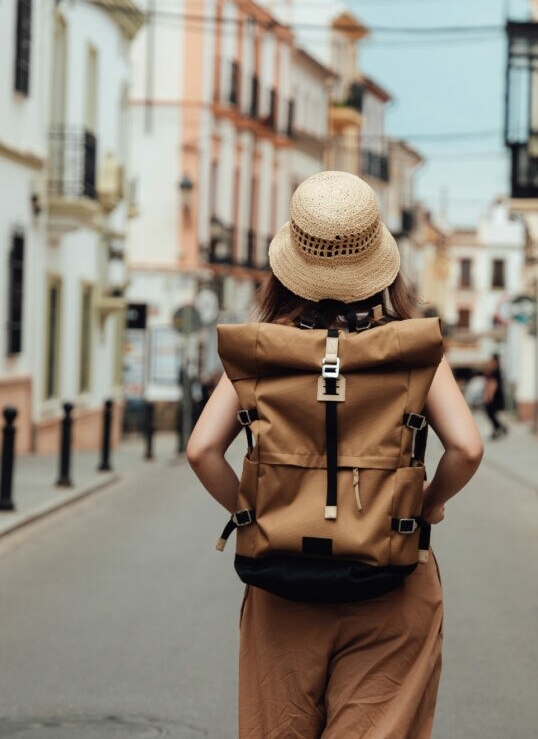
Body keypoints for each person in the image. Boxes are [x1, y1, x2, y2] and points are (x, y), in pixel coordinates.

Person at [187, 171, 483, 738]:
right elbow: (467, 447)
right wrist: (424, 506)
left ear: (289, 260)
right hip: (390, 577)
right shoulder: (410, 349)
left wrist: (254, 515)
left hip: (282, 587)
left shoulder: (263, 348)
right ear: (380, 259)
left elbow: (202, 450)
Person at [483, 353, 508, 439]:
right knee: (492, 414)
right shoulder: (498, 370)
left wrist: (489, 396)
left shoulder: (495, 371)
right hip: (497, 395)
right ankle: (499, 428)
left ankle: (498, 428)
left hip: (494, 396)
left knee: (490, 413)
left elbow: (493, 384)